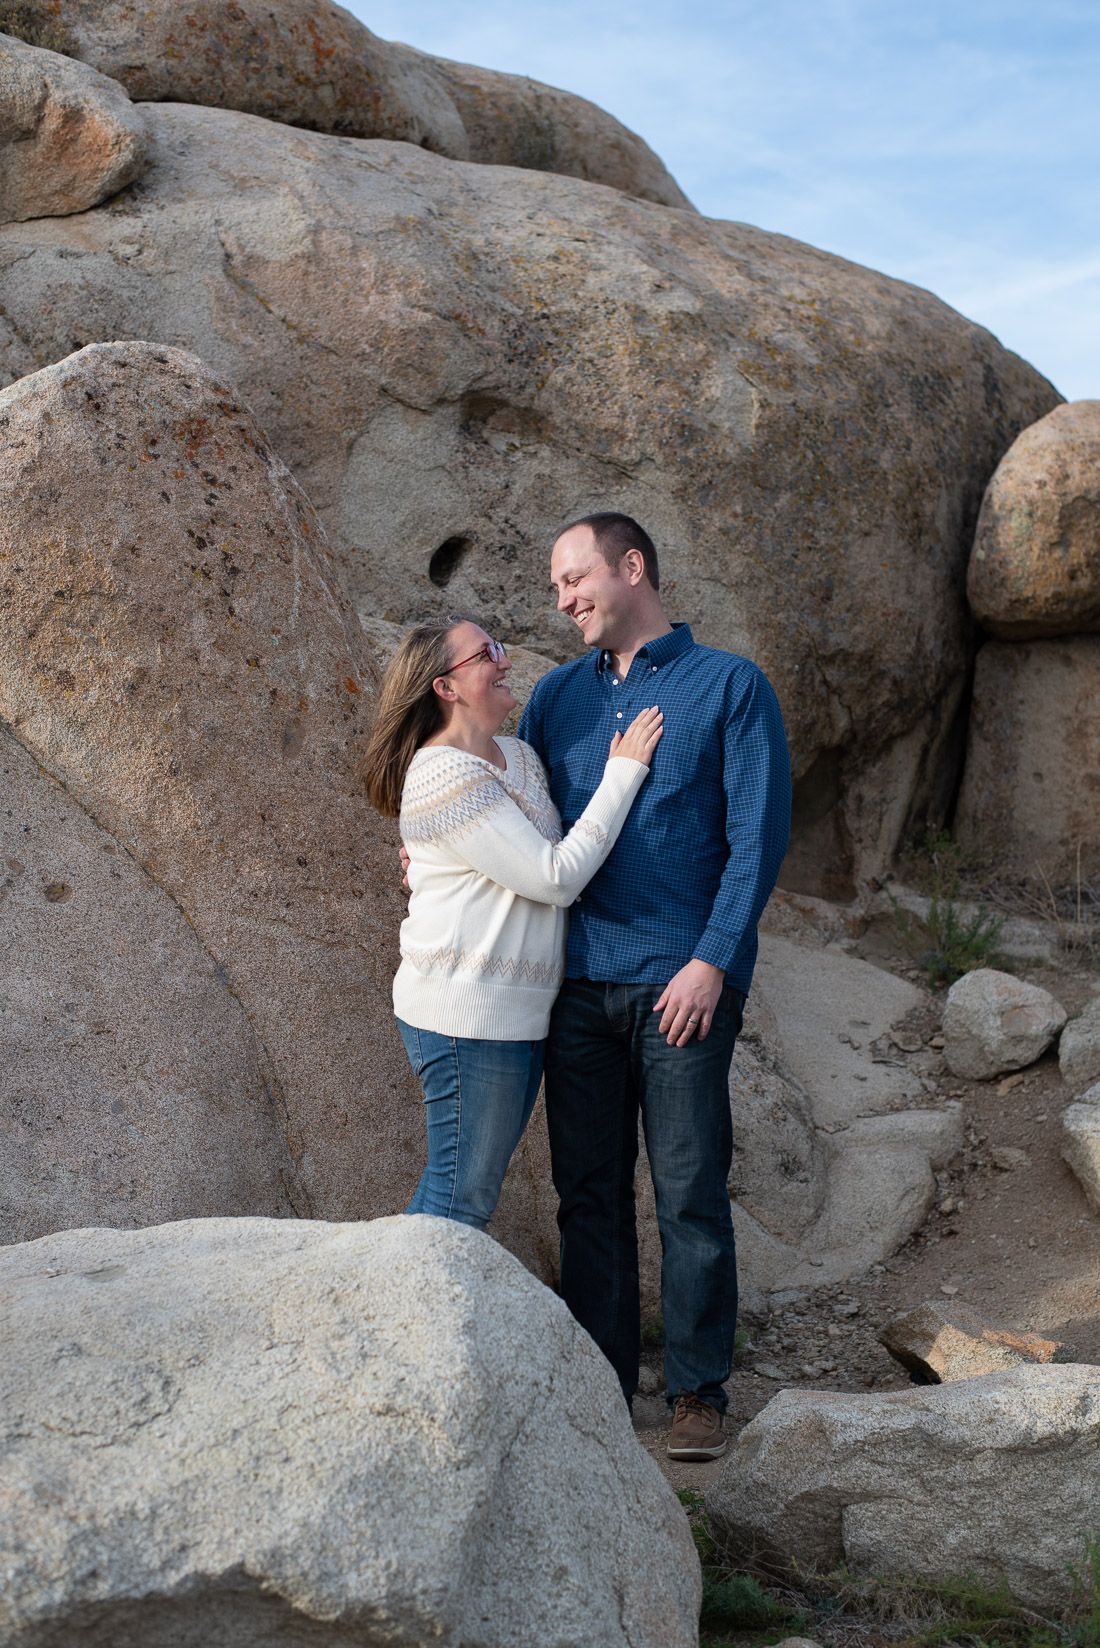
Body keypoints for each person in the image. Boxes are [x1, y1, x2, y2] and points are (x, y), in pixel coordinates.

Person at [517, 513, 791, 1461]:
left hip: (685, 985)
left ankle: (697, 1392)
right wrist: (428, 850)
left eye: (575, 577)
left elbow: (756, 840)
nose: (564, 600)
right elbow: (509, 808)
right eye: (556, 586)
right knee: (587, 1194)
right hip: (577, 987)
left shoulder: (730, 687)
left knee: (687, 1189)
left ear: (632, 568)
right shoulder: (554, 700)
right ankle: (599, 1383)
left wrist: (713, 959)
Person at [363, 616, 663, 1232]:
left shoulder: (519, 755)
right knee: (459, 1197)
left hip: (516, 1014)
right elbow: (555, 876)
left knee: (468, 1190)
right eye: (486, 654)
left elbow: (520, 859)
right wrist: (624, 772)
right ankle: (395, 1317)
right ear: (446, 687)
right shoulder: (443, 773)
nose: (504, 661)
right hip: (465, 1014)